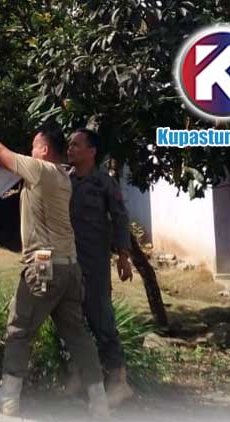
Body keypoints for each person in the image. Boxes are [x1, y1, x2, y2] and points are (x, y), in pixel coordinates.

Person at [0, 120, 109, 418]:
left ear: (44, 150)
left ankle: (8, 398)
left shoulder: (41, 171)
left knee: (19, 330)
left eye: (33, 147)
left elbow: (0, 152)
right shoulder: (62, 176)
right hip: (69, 265)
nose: (29, 152)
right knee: (77, 335)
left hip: (43, 262)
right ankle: (99, 400)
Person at [65, 129, 135, 407]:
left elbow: (120, 217)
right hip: (68, 262)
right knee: (71, 320)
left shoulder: (104, 181)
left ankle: (118, 381)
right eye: (69, 144)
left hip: (94, 264)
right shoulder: (65, 179)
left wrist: (124, 255)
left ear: (91, 151)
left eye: (76, 145)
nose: (70, 149)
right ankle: (79, 376)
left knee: (101, 320)